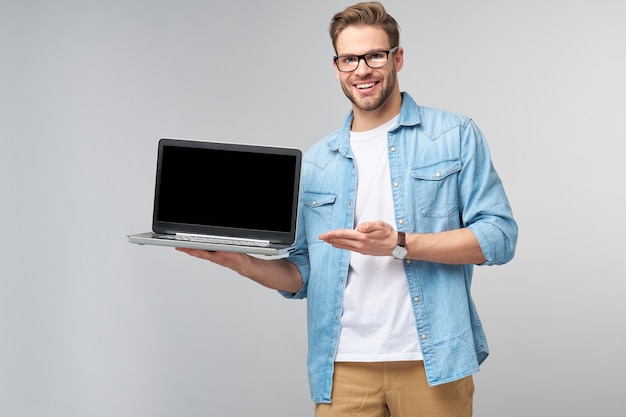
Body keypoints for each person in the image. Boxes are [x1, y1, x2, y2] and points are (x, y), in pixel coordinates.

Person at [177, 2, 518, 416]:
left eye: (375, 55)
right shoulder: (317, 162)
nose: (362, 70)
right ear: (337, 66)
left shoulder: (453, 135)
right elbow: (302, 275)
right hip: (342, 367)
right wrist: (242, 263)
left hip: (432, 361)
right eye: (349, 59)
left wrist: (400, 244)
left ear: (398, 58)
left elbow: (498, 239)